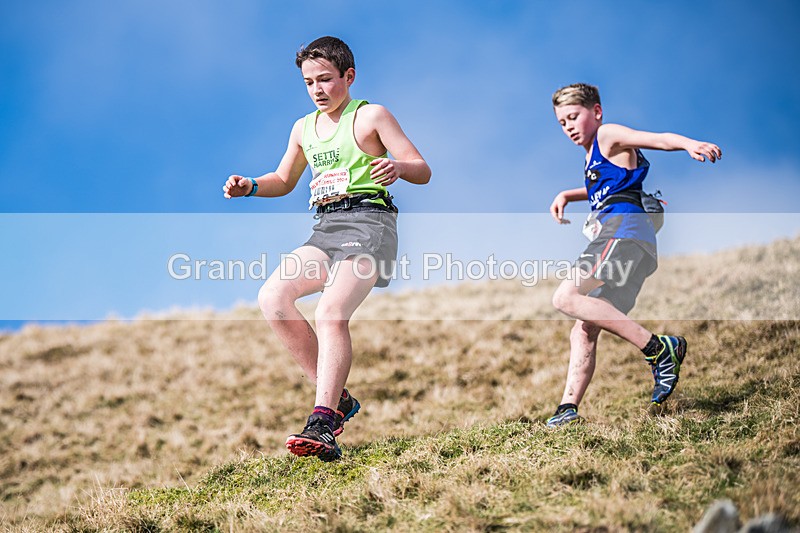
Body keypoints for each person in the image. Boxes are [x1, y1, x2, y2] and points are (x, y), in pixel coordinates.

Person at [223, 36, 431, 460]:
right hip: (327, 227)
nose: (318, 89)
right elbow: (283, 180)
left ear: (348, 77)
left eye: (326, 79)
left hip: (370, 222)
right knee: (273, 298)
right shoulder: (303, 129)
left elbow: (422, 169)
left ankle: (323, 420)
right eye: (308, 82)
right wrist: (251, 187)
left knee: (331, 312)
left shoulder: (370, 116)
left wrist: (397, 166)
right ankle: (339, 400)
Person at [545, 83, 721, 427]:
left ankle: (659, 349)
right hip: (635, 242)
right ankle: (567, 409)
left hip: (622, 232)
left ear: (595, 112)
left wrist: (689, 144)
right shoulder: (595, 156)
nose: (567, 126)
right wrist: (568, 193)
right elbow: (609, 186)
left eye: (573, 116)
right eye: (561, 122)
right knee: (585, 327)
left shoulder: (608, 135)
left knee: (565, 297)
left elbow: (657, 138)